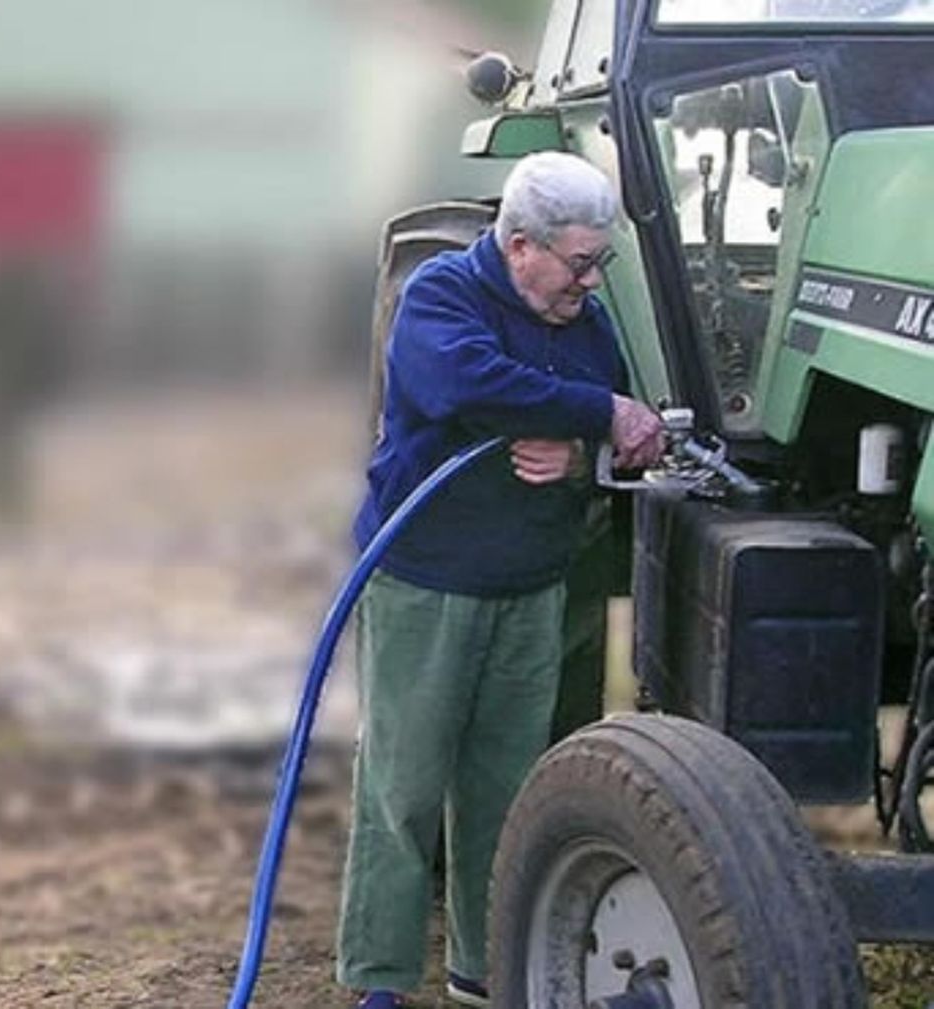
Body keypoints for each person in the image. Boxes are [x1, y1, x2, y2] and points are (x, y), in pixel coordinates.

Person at [336, 151, 664, 1009]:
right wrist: (592, 415)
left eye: (601, 264)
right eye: (579, 262)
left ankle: (484, 971)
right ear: (520, 246)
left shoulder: (585, 320)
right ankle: (381, 979)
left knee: (505, 794)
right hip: (427, 584)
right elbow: (461, 381)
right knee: (403, 789)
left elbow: (617, 412)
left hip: (530, 587)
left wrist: (580, 455)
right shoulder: (442, 294)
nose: (591, 283)